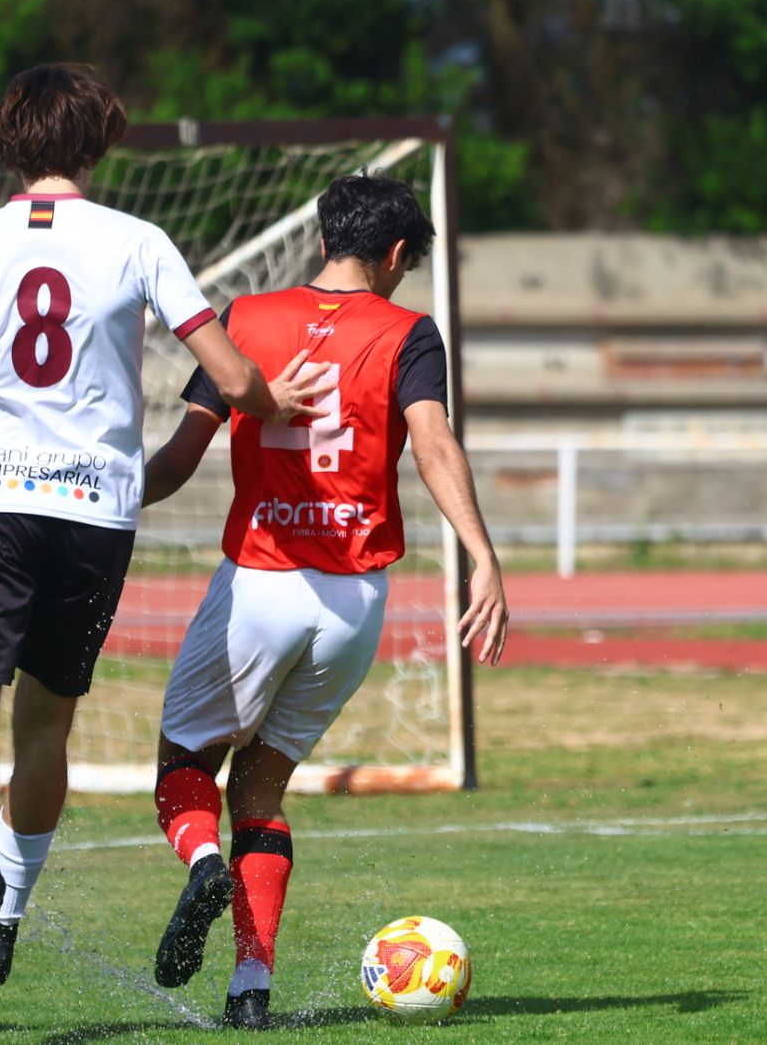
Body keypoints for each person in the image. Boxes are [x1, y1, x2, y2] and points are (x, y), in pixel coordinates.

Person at [0, 63, 332, 992]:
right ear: (98, 141)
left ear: (7, 140)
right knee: (46, 724)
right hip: (97, 510)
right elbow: (228, 368)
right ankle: (7, 910)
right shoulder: (138, 240)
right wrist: (269, 396)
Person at [141, 171, 508, 1029]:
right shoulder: (410, 331)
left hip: (259, 585)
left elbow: (182, 454)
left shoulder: (244, 320)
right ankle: (250, 981)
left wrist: (108, 507)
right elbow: (433, 442)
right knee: (263, 789)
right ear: (392, 255)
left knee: (184, 768)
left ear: (320, 242)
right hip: (353, 606)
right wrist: (483, 554)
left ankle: (201, 864)